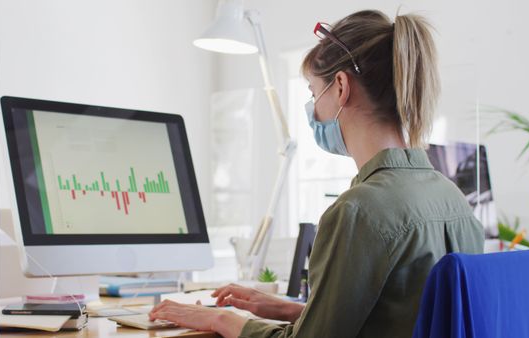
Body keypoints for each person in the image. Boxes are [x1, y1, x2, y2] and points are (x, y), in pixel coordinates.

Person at [149, 9, 484, 338]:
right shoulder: (453, 199)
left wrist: (222, 320)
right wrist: (293, 309)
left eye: (313, 92)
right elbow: (401, 317)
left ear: (341, 86)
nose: (313, 110)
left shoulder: (358, 211)